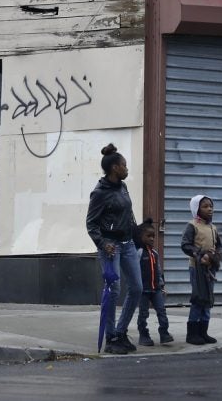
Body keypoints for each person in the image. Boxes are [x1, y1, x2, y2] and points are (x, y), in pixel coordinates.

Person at [86, 143, 143, 355]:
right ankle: (111, 337)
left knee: (137, 287)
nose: (127, 169)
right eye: (124, 165)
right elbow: (91, 223)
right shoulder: (99, 193)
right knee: (114, 290)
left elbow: (129, 215)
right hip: (111, 247)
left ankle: (121, 332)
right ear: (114, 168)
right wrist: (103, 243)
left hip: (128, 244)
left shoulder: (123, 187)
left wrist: (138, 235)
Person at [181, 194, 222, 345]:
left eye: (211, 206)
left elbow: (219, 246)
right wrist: (199, 255)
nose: (209, 209)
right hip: (197, 268)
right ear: (196, 209)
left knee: (208, 300)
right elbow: (185, 245)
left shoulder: (213, 228)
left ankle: (203, 332)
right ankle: (192, 334)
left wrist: (215, 256)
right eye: (205, 206)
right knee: (199, 298)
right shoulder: (192, 225)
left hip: (210, 269)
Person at [136, 222, 174, 346]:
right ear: (141, 236)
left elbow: (158, 271)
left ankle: (164, 333)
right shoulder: (139, 252)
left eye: (153, 236)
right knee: (143, 313)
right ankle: (143, 335)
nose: (152, 238)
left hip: (156, 289)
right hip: (143, 290)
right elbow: (134, 270)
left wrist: (162, 286)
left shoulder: (155, 254)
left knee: (162, 311)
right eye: (148, 236)